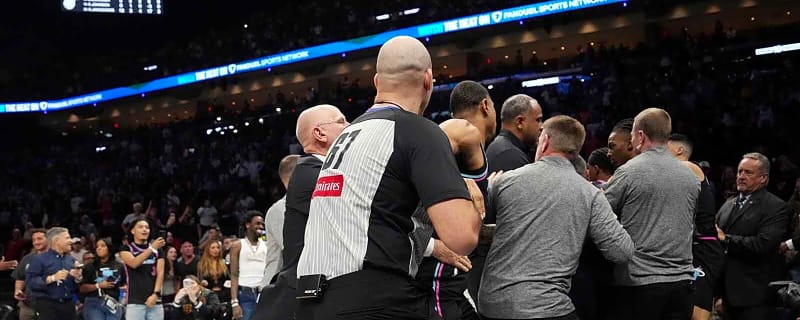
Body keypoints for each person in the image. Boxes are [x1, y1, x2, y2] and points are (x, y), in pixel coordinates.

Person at [296, 35, 482, 320]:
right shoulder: (418, 131)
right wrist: (469, 192)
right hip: (374, 300)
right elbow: (461, 238)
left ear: (376, 83)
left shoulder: (347, 133)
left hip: (312, 303)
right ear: (428, 80)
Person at [479, 115, 634, 320]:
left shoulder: (505, 181)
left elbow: (475, 230)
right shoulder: (589, 194)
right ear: (576, 149)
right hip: (546, 307)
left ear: (544, 141)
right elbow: (622, 251)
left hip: (492, 306)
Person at [254, 104, 348, 320]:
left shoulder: (321, 171)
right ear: (319, 132)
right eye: (341, 121)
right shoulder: (311, 174)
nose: (350, 126)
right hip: (299, 293)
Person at [604, 108, 699, 320]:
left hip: (640, 283)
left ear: (639, 136)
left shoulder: (628, 172)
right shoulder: (690, 176)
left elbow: (601, 220)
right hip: (682, 284)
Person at [416, 80, 497, 319]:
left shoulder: (473, 152)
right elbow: (422, 154)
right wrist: (455, 180)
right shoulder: (463, 130)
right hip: (436, 278)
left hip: (452, 280)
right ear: (485, 106)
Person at [718, 152, 789, 320]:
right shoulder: (728, 204)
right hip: (726, 294)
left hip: (755, 296)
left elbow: (762, 244)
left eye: (748, 173)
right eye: (739, 171)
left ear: (763, 178)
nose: (741, 177)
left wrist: (726, 239)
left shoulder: (775, 207)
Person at [667, 133, 724, 320]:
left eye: (665, 147)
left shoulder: (688, 167)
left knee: (696, 313)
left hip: (703, 249)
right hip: (693, 246)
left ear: (680, 150)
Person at [25, 227, 83, 320]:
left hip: (68, 305)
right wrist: (52, 278)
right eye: (67, 238)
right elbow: (30, 282)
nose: (71, 241)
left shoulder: (71, 260)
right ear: (57, 241)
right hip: (48, 305)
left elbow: (75, 287)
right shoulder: (39, 259)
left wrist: (77, 278)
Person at [119, 218, 166, 320]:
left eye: (147, 227)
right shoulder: (125, 249)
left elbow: (160, 273)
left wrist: (155, 294)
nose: (144, 230)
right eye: (140, 227)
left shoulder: (158, 250)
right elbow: (134, 263)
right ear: (132, 231)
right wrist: (151, 248)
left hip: (155, 301)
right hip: (135, 301)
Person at [263, 154, 300, 284]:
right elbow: (293, 248)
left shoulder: (300, 206)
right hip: (277, 288)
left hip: (291, 285)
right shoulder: (280, 210)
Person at [485, 94, 543, 175]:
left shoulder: (505, 147)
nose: (541, 127)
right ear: (520, 122)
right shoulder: (509, 155)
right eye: (538, 120)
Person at [230, 211, 268, 320]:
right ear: (247, 225)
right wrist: (234, 303)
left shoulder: (267, 245)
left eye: (262, 224)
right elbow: (233, 275)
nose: (260, 226)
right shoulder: (237, 245)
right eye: (257, 223)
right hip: (245, 294)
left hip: (263, 293)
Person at [80, 238, 126, 320]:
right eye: (97, 246)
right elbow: (82, 288)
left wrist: (124, 289)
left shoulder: (119, 266)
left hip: (113, 302)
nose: (99, 248)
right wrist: (98, 285)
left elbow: (124, 283)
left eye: (102, 246)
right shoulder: (90, 266)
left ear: (109, 248)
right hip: (94, 301)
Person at [13, 228, 47, 320]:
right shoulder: (27, 259)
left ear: (49, 240)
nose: (36, 242)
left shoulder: (58, 258)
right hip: (28, 305)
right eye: (33, 240)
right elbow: (20, 278)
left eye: (39, 239)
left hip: (50, 306)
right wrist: (18, 290)